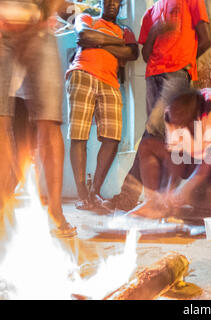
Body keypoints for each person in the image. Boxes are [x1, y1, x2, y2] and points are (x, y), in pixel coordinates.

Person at [103, 0, 211, 212]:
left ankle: (128, 196)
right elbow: (145, 54)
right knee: (158, 138)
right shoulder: (150, 13)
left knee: (152, 133)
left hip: (176, 75)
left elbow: (206, 39)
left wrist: (186, 64)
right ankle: (160, 199)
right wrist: (155, 30)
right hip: (152, 76)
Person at [128, 88, 211, 236]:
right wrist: (168, 192)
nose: (178, 132)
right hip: (193, 164)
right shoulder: (171, 113)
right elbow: (175, 156)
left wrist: (185, 189)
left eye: (183, 128)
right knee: (147, 145)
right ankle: (154, 204)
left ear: (195, 120)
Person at [0, 0, 76, 237]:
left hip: (39, 28)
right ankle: (2, 206)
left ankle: (54, 209)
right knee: (1, 120)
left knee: (49, 118)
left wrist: (43, 14)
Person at [66, 0, 138, 210]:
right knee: (79, 134)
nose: (112, 4)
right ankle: (82, 195)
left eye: (117, 1)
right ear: (101, 2)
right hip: (81, 73)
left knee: (112, 138)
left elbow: (132, 53)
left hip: (110, 82)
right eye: (108, 0)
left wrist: (99, 41)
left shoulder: (125, 31)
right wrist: (115, 43)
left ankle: (94, 192)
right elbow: (84, 36)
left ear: (121, 5)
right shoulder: (87, 18)